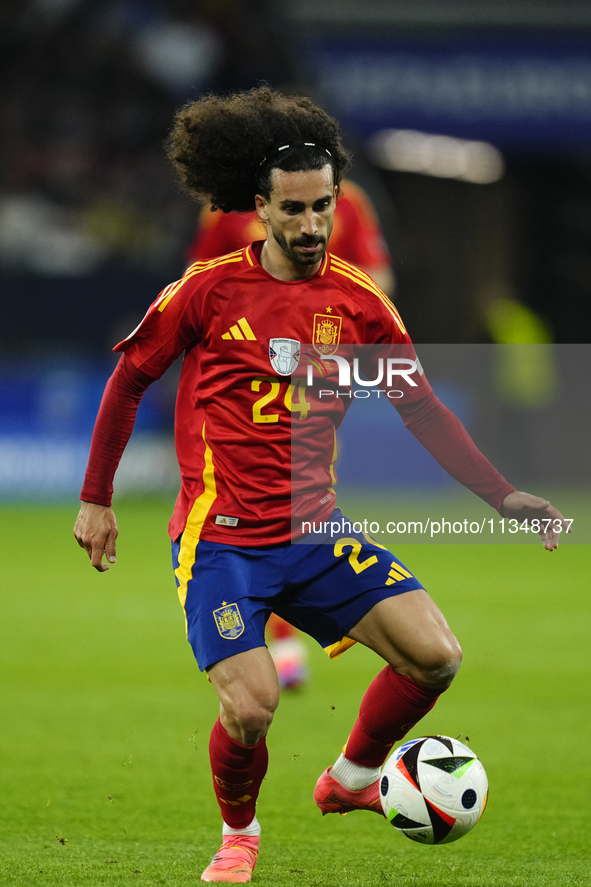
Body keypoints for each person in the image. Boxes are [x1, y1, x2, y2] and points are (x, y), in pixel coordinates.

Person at [74, 87, 569, 884]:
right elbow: (129, 379)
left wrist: (501, 494)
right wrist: (96, 498)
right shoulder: (206, 291)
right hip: (222, 542)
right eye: (294, 210)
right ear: (259, 210)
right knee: (252, 706)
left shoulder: (360, 304)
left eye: (324, 208)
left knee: (435, 657)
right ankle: (239, 833)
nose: (310, 226)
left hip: (314, 533)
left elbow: (423, 410)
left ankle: (349, 780)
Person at [186, 170, 396, 691]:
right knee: (239, 505)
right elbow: (196, 281)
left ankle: (278, 634)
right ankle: (270, 640)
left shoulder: (349, 204)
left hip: (310, 388)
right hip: (237, 393)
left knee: (299, 503)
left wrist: (321, 303)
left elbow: (379, 279)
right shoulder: (225, 206)